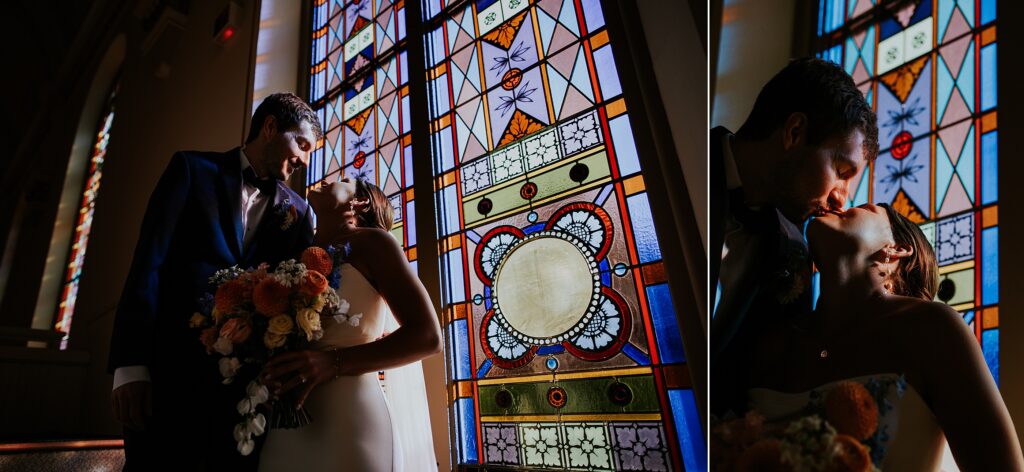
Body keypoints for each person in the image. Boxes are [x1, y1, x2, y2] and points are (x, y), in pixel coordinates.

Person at [108, 93, 322, 470]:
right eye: (301, 144)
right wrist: (130, 364)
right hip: (167, 371)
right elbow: (148, 264)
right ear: (270, 127)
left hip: (242, 394)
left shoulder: (299, 214)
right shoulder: (191, 170)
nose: (305, 159)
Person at [742, 203, 1024, 470]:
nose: (839, 204)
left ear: (896, 249)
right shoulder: (774, 343)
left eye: (864, 207)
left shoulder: (931, 329)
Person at [710, 57, 879, 416]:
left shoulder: (795, 252)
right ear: (794, 132)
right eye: (841, 170)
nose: (841, 197)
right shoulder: (682, 152)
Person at [258, 177, 442, 471]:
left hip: (350, 418)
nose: (329, 179)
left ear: (360, 202)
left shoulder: (372, 243)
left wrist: (333, 362)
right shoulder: (296, 257)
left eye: (343, 181)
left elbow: (428, 336)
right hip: (289, 419)